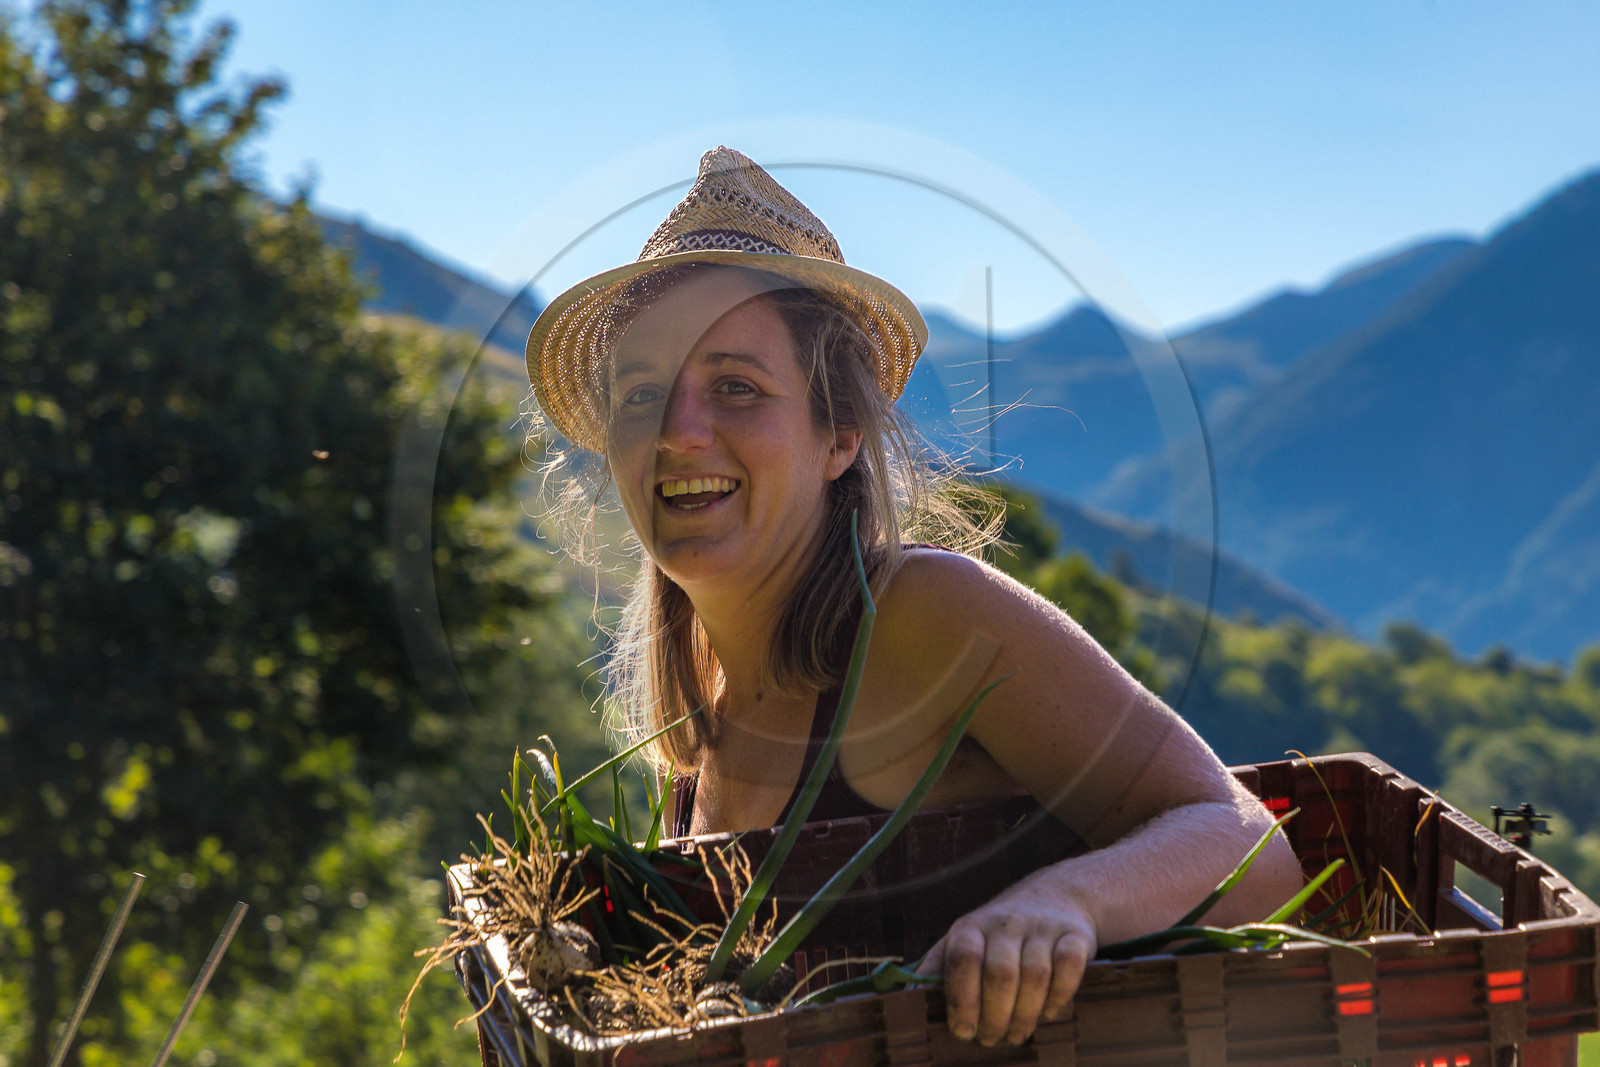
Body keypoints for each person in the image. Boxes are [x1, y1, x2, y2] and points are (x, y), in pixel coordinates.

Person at [525, 147, 1301, 1047]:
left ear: (839, 435)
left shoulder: (920, 616)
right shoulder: (698, 742)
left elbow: (1249, 847)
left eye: (736, 386)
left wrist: (1062, 901)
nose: (678, 433)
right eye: (642, 395)